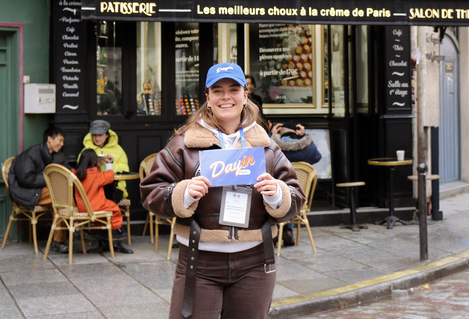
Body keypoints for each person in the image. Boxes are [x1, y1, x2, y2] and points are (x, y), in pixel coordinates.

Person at [140, 62, 305, 319]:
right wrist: (184, 193)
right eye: (217, 91)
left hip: (255, 262)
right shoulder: (184, 144)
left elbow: (296, 196)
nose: (226, 97)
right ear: (208, 98)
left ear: (245, 95)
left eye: (233, 90)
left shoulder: (265, 145)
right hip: (198, 262)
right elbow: (151, 193)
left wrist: (277, 194)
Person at [7, 126, 69, 253]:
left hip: (38, 190)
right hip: (24, 191)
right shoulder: (32, 153)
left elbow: (66, 169)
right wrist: (50, 180)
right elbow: (25, 179)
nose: (62, 144)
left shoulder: (55, 155)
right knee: (60, 198)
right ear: (50, 139)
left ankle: (60, 239)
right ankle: (70, 232)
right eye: (60, 140)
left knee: (61, 201)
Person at [79, 119, 133, 254]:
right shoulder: (87, 151)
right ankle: (114, 235)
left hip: (115, 188)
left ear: (107, 135)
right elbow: (82, 171)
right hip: (94, 191)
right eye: (94, 135)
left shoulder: (118, 150)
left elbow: (125, 168)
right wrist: (96, 166)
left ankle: (107, 237)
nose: (97, 138)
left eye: (100, 135)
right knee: (103, 200)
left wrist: (111, 164)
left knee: (109, 194)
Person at [73, 149, 127, 250]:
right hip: (95, 206)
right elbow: (109, 177)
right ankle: (116, 231)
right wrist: (109, 164)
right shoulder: (96, 175)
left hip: (82, 207)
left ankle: (101, 233)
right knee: (114, 208)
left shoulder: (76, 174)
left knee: (104, 213)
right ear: (94, 161)